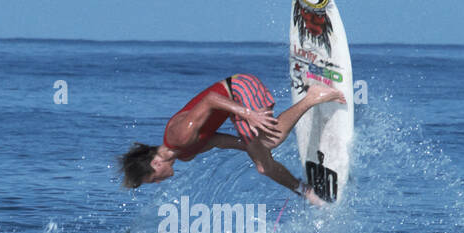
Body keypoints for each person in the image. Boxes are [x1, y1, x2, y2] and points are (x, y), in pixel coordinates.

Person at [117, 74, 344, 205]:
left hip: (239, 88)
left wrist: (249, 115)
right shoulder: (184, 154)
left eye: (153, 179)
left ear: (155, 164)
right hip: (237, 107)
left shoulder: (179, 136)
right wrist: (248, 146)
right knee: (263, 166)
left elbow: (211, 100)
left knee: (268, 141)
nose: (158, 183)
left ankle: (314, 96)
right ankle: (306, 192)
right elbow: (215, 140)